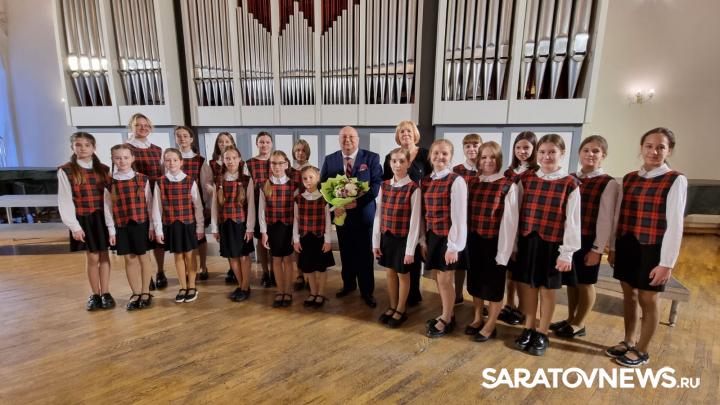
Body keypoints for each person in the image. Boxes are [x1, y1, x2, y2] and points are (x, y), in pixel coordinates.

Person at [606, 127, 687, 367]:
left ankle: (642, 350)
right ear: (641, 148)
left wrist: (667, 263)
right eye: (649, 146)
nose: (654, 151)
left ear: (669, 150)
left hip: (654, 247)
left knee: (648, 298)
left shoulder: (675, 179)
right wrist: (614, 247)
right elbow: (619, 215)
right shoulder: (630, 178)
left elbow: (675, 224)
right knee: (628, 295)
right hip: (627, 244)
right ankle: (628, 341)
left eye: (661, 147)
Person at [511, 134, 581, 356]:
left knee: (548, 290)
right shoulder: (526, 179)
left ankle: (542, 332)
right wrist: (514, 244)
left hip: (553, 244)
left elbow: (573, 221)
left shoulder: (570, 183)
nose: (546, 156)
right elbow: (515, 214)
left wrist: (567, 253)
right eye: (542, 152)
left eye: (552, 152)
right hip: (528, 241)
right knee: (529, 287)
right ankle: (529, 327)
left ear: (562, 153)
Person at [550, 135, 619, 338]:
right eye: (586, 150)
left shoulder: (608, 183)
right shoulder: (571, 177)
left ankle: (579, 323)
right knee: (572, 282)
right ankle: (571, 318)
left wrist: (597, 249)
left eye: (596, 151)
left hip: (589, 239)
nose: (590, 154)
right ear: (579, 153)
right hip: (570, 238)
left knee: (586, 283)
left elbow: (606, 219)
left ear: (603, 155)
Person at [321, 126, 383, 308]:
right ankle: (348, 285)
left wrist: (358, 203)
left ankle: (367, 291)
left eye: (351, 136)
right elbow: (323, 186)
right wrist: (334, 207)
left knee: (364, 255)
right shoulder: (330, 159)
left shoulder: (371, 158)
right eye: (343, 137)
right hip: (342, 216)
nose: (347, 140)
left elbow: (376, 184)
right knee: (346, 253)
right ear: (339, 139)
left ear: (358, 139)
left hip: (364, 216)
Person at [465, 141, 519, 342]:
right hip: (474, 240)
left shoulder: (508, 185)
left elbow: (510, 222)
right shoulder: (472, 183)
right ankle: (478, 317)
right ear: (479, 160)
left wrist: (504, 252)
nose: (488, 161)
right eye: (484, 157)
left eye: (492, 157)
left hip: (496, 243)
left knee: (494, 286)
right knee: (475, 282)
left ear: (499, 160)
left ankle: (491, 324)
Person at [58, 132, 113, 311]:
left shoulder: (103, 169)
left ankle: (105, 293)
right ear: (72, 147)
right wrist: (74, 226)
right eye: (78, 145)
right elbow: (65, 200)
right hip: (84, 218)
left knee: (104, 255)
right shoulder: (66, 170)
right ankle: (95, 294)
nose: (83, 148)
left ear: (93, 148)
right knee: (92, 257)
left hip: (102, 217)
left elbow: (109, 198)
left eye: (87, 145)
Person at [382, 121, 431, 306]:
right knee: (397, 260)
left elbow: (431, 181)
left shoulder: (425, 155)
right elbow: (388, 184)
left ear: (415, 133)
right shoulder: (390, 156)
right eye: (402, 131)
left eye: (408, 131)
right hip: (398, 211)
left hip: (421, 207)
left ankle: (412, 294)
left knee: (413, 254)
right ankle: (398, 298)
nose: (405, 134)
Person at [421, 139, 468, 338]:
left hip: (449, 238)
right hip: (433, 235)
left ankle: (447, 319)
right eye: (436, 153)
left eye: (445, 154)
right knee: (438, 278)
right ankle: (447, 313)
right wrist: (423, 240)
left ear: (451, 157)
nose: (440, 157)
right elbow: (424, 213)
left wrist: (454, 246)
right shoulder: (427, 180)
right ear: (430, 156)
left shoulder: (456, 180)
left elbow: (459, 216)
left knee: (446, 280)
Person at [373, 148, 421, 328]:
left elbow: (415, 222)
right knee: (390, 272)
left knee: (402, 274)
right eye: (394, 161)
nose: (397, 164)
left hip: (403, 239)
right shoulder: (384, 186)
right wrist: (375, 242)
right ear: (389, 163)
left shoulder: (414, 188)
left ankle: (401, 309)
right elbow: (378, 215)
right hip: (387, 237)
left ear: (408, 163)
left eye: (402, 161)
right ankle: (392, 306)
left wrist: (410, 251)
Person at [104, 144, 154, 310]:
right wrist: (111, 230)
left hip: (141, 224)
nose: (122, 161)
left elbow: (150, 205)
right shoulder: (110, 182)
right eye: (118, 158)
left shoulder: (142, 179)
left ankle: (146, 292)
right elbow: (108, 208)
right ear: (113, 159)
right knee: (129, 259)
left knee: (144, 258)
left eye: (126, 157)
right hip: (121, 225)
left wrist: (152, 227)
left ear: (132, 158)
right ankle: (136, 292)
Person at [152, 148, 205, 303]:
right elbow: (156, 208)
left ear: (181, 162)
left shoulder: (190, 181)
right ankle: (183, 286)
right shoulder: (160, 182)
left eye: (175, 160)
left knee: (190, 255)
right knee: (178, 256)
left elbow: (198, 206)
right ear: (164, 162)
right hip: (171, 225)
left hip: (188, 224)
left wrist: (200, 227)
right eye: (168, 160)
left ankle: (192, 285)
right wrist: (158, 230)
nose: (172, 163)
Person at [499, 131, 539, 325]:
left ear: (534, 149)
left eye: (526, 148)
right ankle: (509, 303)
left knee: (522, 272)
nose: (522, 151)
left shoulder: (537, 173)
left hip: (527, 226)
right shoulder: (509, 173)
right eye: (518, 147)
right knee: (509, 270)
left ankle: (523, 309)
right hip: (509, 224)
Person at [125, 113, 167, 290]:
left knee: (157, 234)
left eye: (145, 125)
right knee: (142, 237)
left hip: (155, 194)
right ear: (131, 127)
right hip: (136, 196)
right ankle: (146, 275)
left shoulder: (157, 149)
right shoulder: (126, 148)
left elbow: (163, 173)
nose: (142, 128)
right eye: (138, 125)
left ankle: (160, 271)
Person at [210, 146, 256, 302]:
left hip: (241, 224)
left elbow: (251, 205)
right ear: (223, 160)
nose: (230, 161)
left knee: (243, 256)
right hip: (225, 224)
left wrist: (250, 228)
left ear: (239, 159)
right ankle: (241, 285)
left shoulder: (246, 180)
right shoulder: (218, 180)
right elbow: (215, 206)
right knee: (232, 256)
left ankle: (245, 286)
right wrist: (214, 227)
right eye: (227, 158)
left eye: (234, 158)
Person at [293, 166, 335, 308]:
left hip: (320, 238)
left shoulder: (324, 198)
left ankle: (321, 294)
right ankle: (313, 292)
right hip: (305, 238)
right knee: (308, 267)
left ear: (317, 178)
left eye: (311, 177)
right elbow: (296, 220)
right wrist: (296, 240)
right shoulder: (298, 199)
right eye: (305, 178)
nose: (308, 181)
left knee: (321, 268)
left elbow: (328, 221)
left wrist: (328, 241)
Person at [259, 151, 297, 308]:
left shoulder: (293, 185)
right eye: (273, 163)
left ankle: (288, 291)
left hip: (288, 227)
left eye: (280, 163)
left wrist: (295, 234)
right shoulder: (265, 185)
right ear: (270, 165)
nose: (277, 166)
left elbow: (297, 213)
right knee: (275, 260)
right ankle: (280, 290)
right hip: (272, 228)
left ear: (286, 165)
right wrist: (263, 232)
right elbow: (262, 211)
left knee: (287, 260)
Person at [175, 126, 212, 281]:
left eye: (185, 136)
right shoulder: (172, 158)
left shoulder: (200, 161)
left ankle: (203, 266)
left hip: (196, 204)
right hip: (177, 206)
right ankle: (188, 269)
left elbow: (206, 185)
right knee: (184, 239)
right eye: (179, 136)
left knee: (200, 237)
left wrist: (207, 205)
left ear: (191, 139)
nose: (182, 139)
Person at [203, 132, 239, 284]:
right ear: (217, 145)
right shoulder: (212, 163)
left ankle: (236, 270)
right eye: (221, 142)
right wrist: (214, 190)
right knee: (226, 240)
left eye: (227, 141)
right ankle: (231, 268)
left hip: (235, 204)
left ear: (232, 143)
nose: (224, 144)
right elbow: (208, 182)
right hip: (219, 201)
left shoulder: (236, 161)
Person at [452, 133, 482, 306]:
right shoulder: (457, 170)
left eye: (475, 145)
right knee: (460, 262)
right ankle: (457, 294)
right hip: (462, 222)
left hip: (480, 223)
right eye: (467, 146)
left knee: (478, 264)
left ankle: (479, 300)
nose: (471, 149)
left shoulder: (486, 168)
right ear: (463, 149)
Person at [246, 132, 275, 287]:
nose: (264, 145)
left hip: (276, 207)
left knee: (274, 240)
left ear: (271, 144)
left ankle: (275, 272)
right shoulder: (250, 163)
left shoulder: (278, 160)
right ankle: (265, 272)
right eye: (261, 142)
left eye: (267, 142)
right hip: (258, 206)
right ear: (257, 144)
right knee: (261, 240)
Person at [291, 139, 313, 290]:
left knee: (308, 244)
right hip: (292, 208)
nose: (300, 153)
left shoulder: (313, 169)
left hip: (309, 211)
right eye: (298, 150)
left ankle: (309, 275)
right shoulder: (289, 170)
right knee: (296, 243)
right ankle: (299, 274)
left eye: (303, 150)